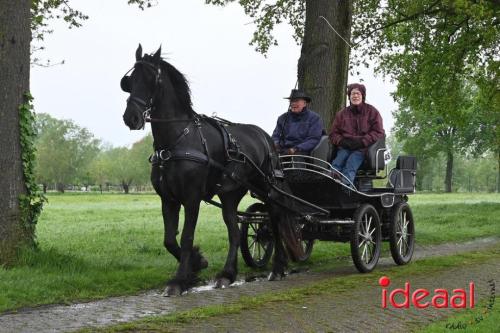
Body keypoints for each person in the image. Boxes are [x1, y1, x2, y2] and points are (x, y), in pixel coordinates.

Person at [329, 83, 385, 184]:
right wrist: (342, 141)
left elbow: (378, 131)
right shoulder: (341, 114)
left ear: (362, 96)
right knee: (336, 164)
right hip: (345, 146)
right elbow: (333, 134)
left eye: (358, 94)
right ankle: (331, 185)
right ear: (349, 97)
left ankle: (346, 190)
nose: (355, 96)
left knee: (351, 164)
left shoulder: (372, 112)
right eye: (352, 94)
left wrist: (363, 141)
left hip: (362, 148)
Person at [272, 89, 324, 155]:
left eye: (296, 101)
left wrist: (296, 149)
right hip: (284, 151)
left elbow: (313, 139)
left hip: (304, 152)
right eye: (291, 101)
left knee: (297, 157)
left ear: (304, 103)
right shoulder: (282, 118)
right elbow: (275, 136)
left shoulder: (314, 118)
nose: (293, 103)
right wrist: (276, 144)